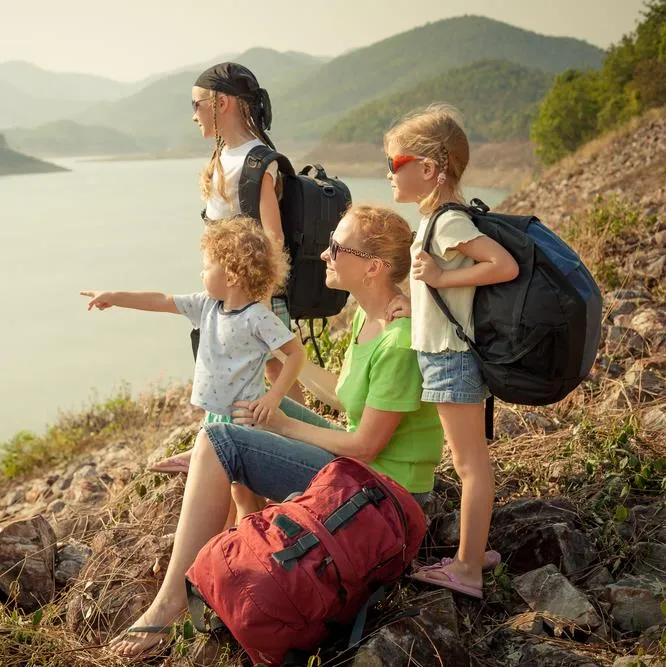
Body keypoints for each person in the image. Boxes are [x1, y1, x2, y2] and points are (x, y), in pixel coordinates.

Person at [105, 204, 444, 659]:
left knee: (225, 438)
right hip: (363, 472)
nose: (324, 255)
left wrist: (282, 427)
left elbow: (366, 445)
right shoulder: (370, 318)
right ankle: (213, 466)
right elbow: (346, 400)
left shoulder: (397, 341)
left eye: (336, 247)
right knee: (251, 407)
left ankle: (167, 606)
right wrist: (276, 363)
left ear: (373, 268)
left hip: (384, 496)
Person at [81, 218, 305, 515]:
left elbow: (295, 354)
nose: (201, 272)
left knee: (242, 491)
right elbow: (161, 300)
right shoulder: (206, 305)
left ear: (233, 276)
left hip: (242, 418)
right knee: (227, 488)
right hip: (214, 415)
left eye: (207, 266)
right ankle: (231, 539)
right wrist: (114, 297)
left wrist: (273, 397)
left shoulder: (257, 318)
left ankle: (253, 538)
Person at [384, 104, 519, 599]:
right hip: (441, 352)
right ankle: (475, 549)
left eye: (395, 164)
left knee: (469, 465)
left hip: (450, 358)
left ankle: (466, 569)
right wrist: (413, 306)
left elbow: (501, 265)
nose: (389, 174)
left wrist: (441, 277)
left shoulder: (447, 221)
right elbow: (444, 296)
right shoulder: (435, 220)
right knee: (469, 462)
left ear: (428, 168)